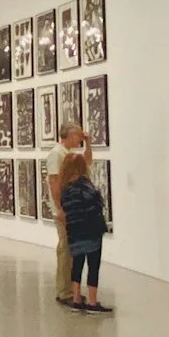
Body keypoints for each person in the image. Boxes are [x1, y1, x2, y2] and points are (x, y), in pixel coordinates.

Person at [57, 149, 110, 312]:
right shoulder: (85, 186)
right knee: (93, 265)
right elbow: (96, 203)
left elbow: (66, 209)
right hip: (91, 230)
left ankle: (76, 299)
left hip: (75, 231)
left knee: (77, 264)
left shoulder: (65, 190)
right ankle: (93, 302)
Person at [45, 121, 87, 304]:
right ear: (70, 135)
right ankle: (64, 292)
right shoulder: (56, 154)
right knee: (66, 250)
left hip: (71, 207)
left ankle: (69, 289)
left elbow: (87, 163)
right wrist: (60, 208)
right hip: (64, 209)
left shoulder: (68, 154)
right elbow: (54, 181)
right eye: (78, 135)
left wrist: (89, 144)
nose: (80, 138)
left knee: (70, 250)